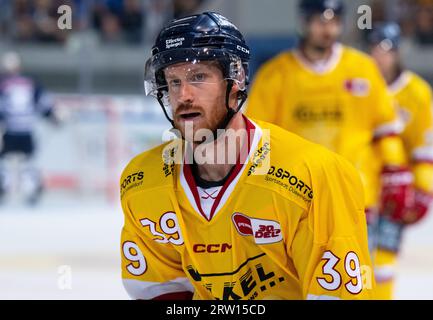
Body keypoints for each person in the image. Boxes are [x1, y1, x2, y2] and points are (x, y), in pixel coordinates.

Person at [120, 11, 374, 300]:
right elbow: (162, 291)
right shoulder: (144, 183)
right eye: (174, 82)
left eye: (199, 77)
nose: (184, 95)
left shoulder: (314, 175)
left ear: (236, 78)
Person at [246, 0, 411, 261]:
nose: (328, 29)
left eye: (334, 22)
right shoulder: (275, 75)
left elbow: (386, 129)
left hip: (355, 197)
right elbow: (256, 139)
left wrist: (395, 170)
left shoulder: (363, 68)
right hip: (296, 199)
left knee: (355, 283)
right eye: (321, 21)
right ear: (304, 22)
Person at [367, 22, 433, 299]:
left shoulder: (416, 92)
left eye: (387, 50)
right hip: (361, 184)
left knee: (384, 262)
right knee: (352, 262)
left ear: (397, 52)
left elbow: (423, 146)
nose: (381, 56)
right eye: (376, 49)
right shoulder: (358, 85)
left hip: (396, 190)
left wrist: (423, 187)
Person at [0, 51, 56, 205]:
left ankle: (5, 188)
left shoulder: (2, 83)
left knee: (5, 161)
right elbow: (44, 104)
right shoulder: (31, 82)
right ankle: (31, 190)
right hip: (26, 130)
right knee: (28, 162)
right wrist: (53, 116)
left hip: (10, 130)